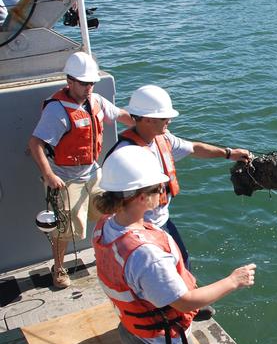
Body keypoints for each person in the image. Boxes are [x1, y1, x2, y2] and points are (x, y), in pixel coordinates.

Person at [93, 145, 257, 344]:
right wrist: (234, 280)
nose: (163, 193)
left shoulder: (105, 225)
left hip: (133, 335)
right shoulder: (145, 255)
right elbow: (183, 301)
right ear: (142, 196)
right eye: (159, 188)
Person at [105, 85, 252, 273]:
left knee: (183, 266)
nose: (170, 120)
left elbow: (194, 148)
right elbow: (116, 201)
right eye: (165, 117)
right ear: (148, 119)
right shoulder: (125, 154)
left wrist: (229, 153)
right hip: (141, 230)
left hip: (163, 221)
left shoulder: (163, 139)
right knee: (161, 276)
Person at [28, 52, 134, 288]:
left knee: (108, 214)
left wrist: (145, 125)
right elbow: (35, 144)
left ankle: (107, 256)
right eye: (84, 83)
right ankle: (59, 268)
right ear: (70, 81)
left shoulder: (96, 101)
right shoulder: (57, 111)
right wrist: (49, 175)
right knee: (64, 229)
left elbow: (120, 115)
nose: (89, 87)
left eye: (92, 83)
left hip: (93, 172)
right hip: (65, 178)